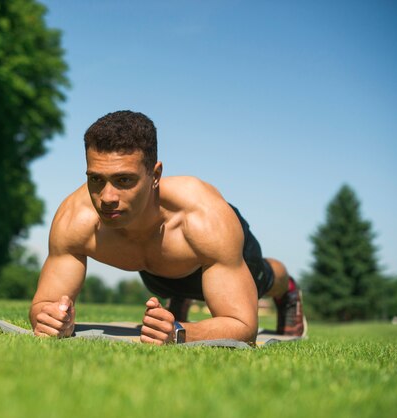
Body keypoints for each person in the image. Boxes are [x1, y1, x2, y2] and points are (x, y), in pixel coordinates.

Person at [29, 110, 306, 345]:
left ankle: (289, 290)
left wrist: (180, 331)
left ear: (155, 176)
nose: (107, 198)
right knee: (167, 284)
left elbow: (244, 327)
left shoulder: (203, 218)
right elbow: (44, 305)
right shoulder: (75, 219)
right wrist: (52, 318)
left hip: (207, 251)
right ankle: (178, 300)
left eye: (124, 180)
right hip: (159, 272)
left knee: (264, 279)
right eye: (96, 180)